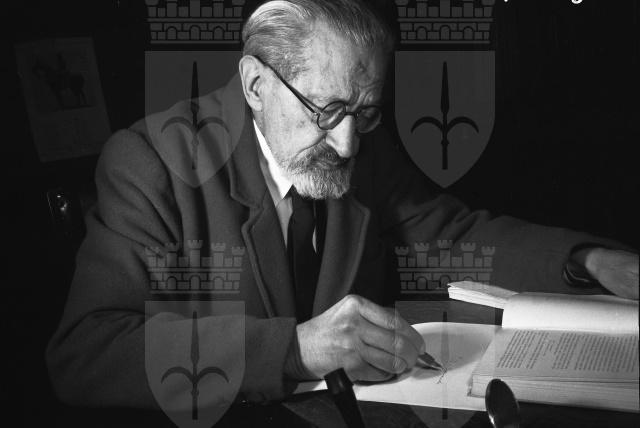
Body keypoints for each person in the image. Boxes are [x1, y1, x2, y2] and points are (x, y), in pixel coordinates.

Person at [47, 0, 638, 411]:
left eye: (366, 112)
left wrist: (587, 260)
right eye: (326, 111)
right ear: (255, 85)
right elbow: (86, 352)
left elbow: (452, 238)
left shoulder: (362, 144)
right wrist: (295, 350)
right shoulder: (149, 161)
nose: (349, 143)